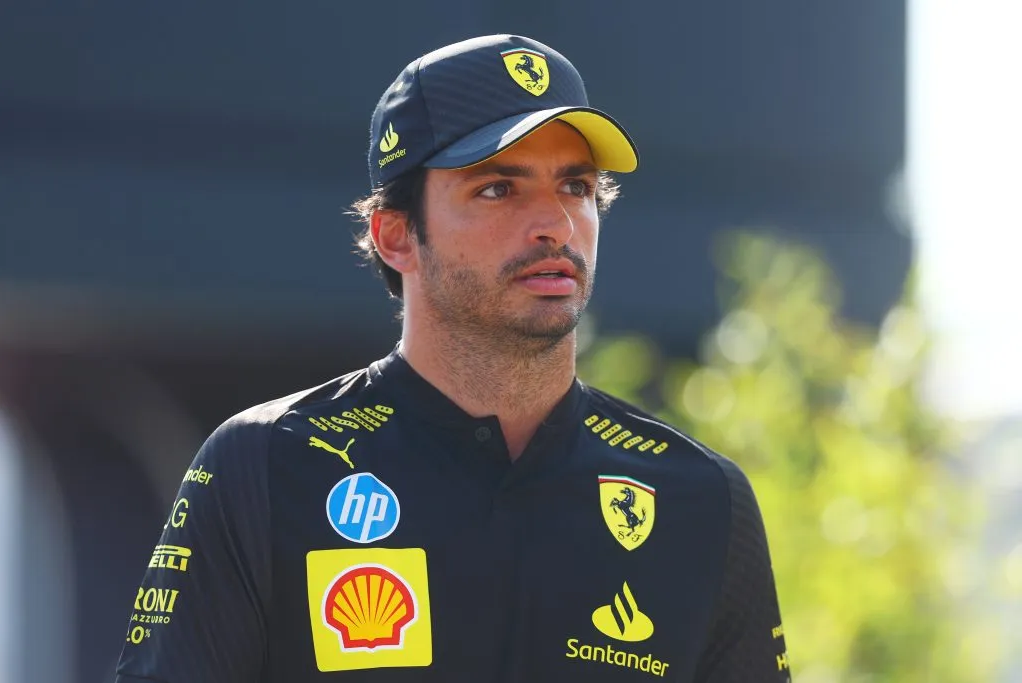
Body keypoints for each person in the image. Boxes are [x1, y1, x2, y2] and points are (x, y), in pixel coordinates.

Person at [115, 34, 790, 682]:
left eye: (577, 186)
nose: (555, 222)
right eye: (498, 188)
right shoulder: (260, 465)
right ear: (395, 235)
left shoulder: (698, 499)